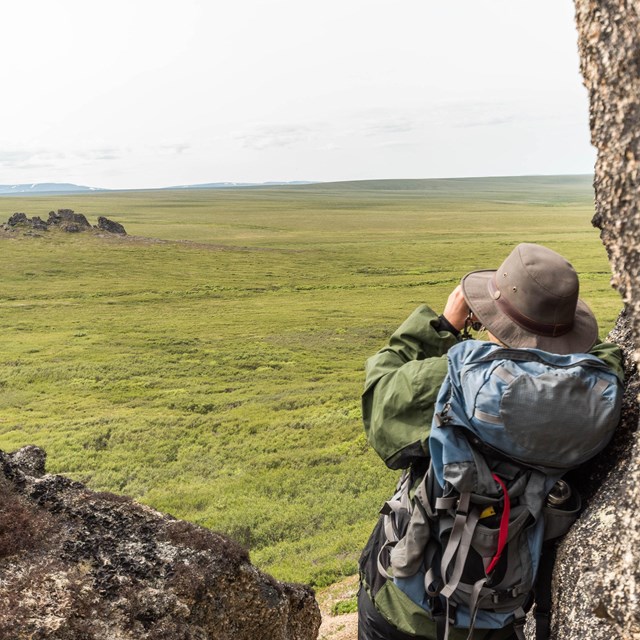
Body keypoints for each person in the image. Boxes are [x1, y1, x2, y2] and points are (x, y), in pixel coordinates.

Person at [357, 243, 624, 640]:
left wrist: (446, 326)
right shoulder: (598, 392)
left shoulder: (451, 379)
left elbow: (381, 394)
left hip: (406, 608)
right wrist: (560, 342)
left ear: (491, 316)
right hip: (499, 610)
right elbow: (603, 354)